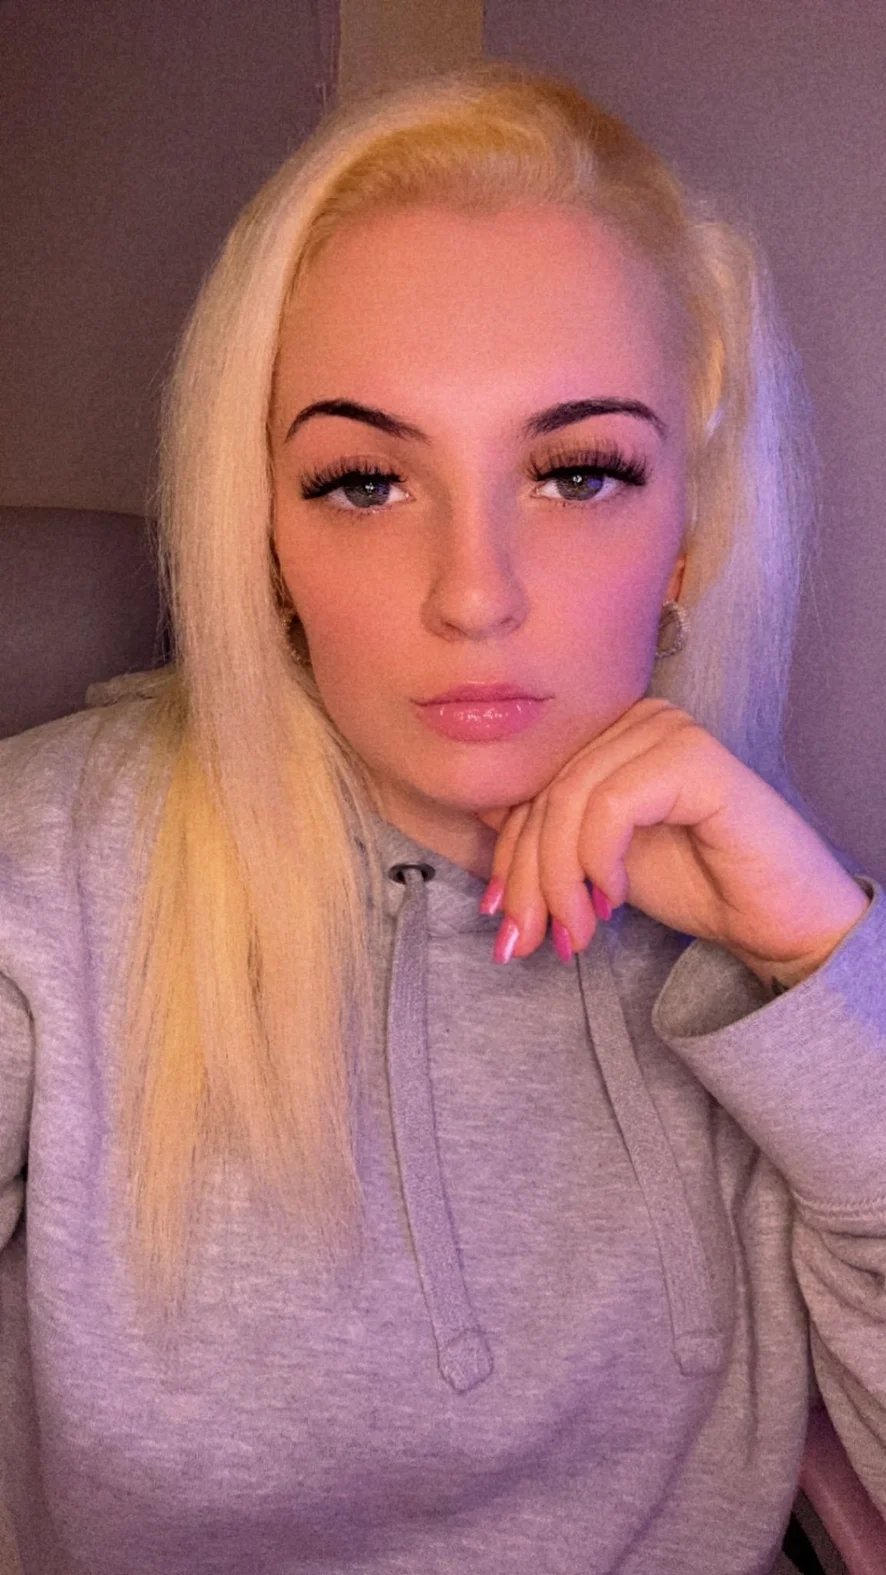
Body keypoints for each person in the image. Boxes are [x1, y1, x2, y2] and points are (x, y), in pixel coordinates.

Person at [0, 58, 883, 1575]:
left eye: (577, 474)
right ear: (262, 535)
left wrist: (821, 963)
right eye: (364, 482)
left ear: (690, 531)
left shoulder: (774, 929)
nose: (474, 595)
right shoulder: (44, 875)